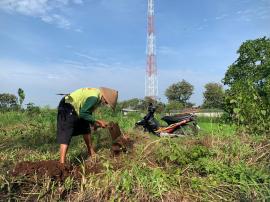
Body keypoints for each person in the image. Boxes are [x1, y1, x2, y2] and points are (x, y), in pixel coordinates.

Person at [57, 87, 118, 164]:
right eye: (106, 102)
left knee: (85, 127)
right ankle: (62, 163)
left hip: (76, 108)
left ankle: (91, 152)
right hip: (67, 105)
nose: (105, 104)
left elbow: (87, 113)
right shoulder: (94, 97)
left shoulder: (97, 96)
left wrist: (94, 124)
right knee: (66, 132)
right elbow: (83, 113)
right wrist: (98, 121)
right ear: (104, 97)